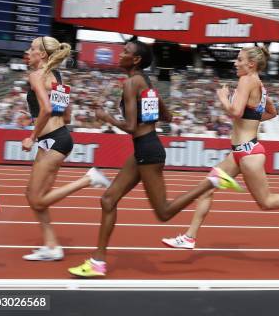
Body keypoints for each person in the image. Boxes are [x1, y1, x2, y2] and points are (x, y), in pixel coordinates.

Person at [69, 40, 241, 277]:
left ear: (136, 60)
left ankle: (211, 181)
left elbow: (131, 126)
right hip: (145, 149)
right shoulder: (146, 83)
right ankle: (98, 262)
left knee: (164, 213)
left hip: (147, 151)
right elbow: (168, 116)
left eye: (125, 52)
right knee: (108, 200)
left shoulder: (131, 83)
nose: (120, 55)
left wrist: (106, 117)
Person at [161, 46, 279, 250]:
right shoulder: (260, 85)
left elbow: (235, 111)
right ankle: (189, 237)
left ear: (251, 64)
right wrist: (250, 119)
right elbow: (272, 112)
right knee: (207, 188)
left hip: (248, 153)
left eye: (239, 59)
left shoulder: (246, 80)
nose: (235, 63)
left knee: (267, 202)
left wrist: (223, 98)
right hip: (239, 153)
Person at [22, 36, 110, 262]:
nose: (28, 51)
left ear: (42, 55)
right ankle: (52, 247)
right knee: (35, 196)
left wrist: (32, 136)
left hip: (52, 140)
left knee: (37, 199)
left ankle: (88, 179)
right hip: (57, 138)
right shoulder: (57, 77)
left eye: (32, 48)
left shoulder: (36, 76)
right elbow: (67, 113)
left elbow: (46, 109)